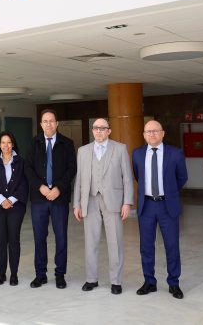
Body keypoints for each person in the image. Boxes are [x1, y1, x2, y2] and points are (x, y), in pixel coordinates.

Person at [72, 119, 134, 295]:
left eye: (102, 128)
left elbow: (127, 178)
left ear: (109, 131)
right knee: (90, 242)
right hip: (90, 200)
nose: (98, 131)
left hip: (113, 200)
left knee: (115, 242)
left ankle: (116, 281)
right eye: (95, 128)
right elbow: (79, 179)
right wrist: (76, 203)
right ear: (92, 131)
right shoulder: (83, 151)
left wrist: (127, 202)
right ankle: (91, 279)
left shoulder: (120, 149)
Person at [132, 120, 188, 300]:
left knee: (172, 245)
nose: (152, 134)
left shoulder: (175, 153)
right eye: (148, 131)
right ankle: (149, 281)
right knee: (146, 246)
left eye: (156, 131)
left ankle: (174, 283)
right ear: (144, 135)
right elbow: (138, 176)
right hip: (146, 205)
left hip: (167, 205)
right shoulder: (137, 154)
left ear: (163, 133)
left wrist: (169, 192)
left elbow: (182, 177)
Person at [26, 109, 76, 289]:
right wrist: (40, 186)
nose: (48, 124)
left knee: (61, 237)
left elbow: (72, 168)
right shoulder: (33, 143)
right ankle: (40, 275)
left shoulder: (67, 143)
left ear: (57, 123)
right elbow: (28, 168)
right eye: (45, 121)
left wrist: (59, 188)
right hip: (39, 199)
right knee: (39, 237)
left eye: (51, 121)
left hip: (59, 198)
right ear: (41, 124)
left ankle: (60, 275)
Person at [0, 131, 28, 286]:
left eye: (9, 142)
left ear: (13, 144)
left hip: (16, 207)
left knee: (14, 240)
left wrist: (11, 200)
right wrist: (2, 200)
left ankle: (14, 274)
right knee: (1, 240)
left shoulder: (21, 162)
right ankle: (1, 273)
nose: (6, 145)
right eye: (3, 142)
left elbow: (24, 184)